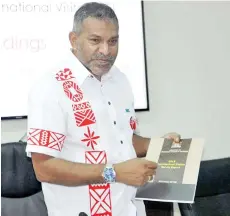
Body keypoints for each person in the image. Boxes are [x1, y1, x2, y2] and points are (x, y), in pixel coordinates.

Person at [26, 2, 181, 216]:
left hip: (130, 209)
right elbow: (43, 168)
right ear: (74, 40)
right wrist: (114, 173)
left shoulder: (119, 80)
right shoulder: (51, 87)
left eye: (113, 41)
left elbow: (122, 139)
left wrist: (158, 144)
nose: (105, 51)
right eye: (95, 41)